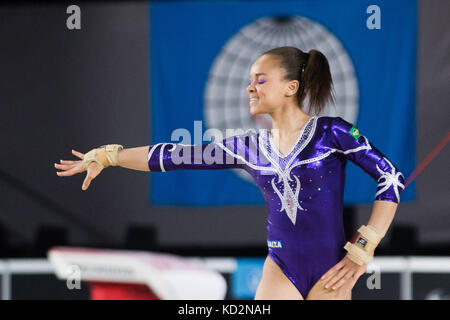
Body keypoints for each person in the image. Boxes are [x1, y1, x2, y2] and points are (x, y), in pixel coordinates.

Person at [55, 46, 405, 300]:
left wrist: (364, 246)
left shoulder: (332, 133)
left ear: (291, 87)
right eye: (250, 80)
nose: (250, 87)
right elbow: (176, 155)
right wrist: (109, 156)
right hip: (281, 267)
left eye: (261, 80)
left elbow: (390, 177)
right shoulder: (248, 146)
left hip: (330, 269)